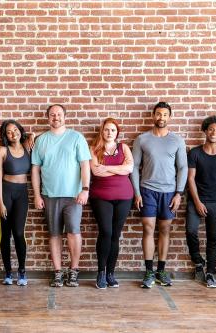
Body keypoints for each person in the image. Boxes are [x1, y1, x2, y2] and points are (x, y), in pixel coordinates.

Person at [31, 104, 91, 287]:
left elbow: (85, 165)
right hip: (49, 195)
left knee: (73, 232)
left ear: (65, 116)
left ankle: (73, 271)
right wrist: (36, 195)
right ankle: (58, 272)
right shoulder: (41, 141)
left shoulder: (76, 137)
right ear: (47, 118)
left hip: (73, 196)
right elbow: (35, 169)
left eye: (58, 114)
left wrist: (85, 189)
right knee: (54, 234)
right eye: (52, 115)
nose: (55, 117)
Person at [131, 101, 188, 288]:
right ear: (153, 116)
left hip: (169, 192)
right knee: (148, 228)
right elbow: (134, 167)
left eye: (165, 114)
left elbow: (182, 167)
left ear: (169, 117)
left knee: (164, 230)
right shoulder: (142, 139)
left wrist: (179, 193)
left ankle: (161, 270)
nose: (161, 117)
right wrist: (137, 193)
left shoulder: (177, 140)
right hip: (147, 190)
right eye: (158, 114)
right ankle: (148, 272)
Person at [185, 116, 216, 288]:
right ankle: (198, 260)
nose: (214, 133)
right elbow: (190, 179)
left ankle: (211, 273)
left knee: (213, 238)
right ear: (205, 130)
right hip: (196, 199)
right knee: (191, 231)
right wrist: (197, 202)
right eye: (211, 129)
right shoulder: (195, 153)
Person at [89, 118, 134, 289]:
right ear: (102, 131)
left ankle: (110, 274)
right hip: (101, 196)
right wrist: (118, 169)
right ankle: (101, 272)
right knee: (105, 232)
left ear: (117, 132)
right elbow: (95, 171)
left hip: (124, 196)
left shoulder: (124, 148)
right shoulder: (93, 149)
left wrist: (107, 168)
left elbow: (129, 169)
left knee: (115, 234)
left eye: (113, 130)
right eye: (107, 130)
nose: (109, 133)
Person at [0, 120, 31, 286]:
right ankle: (8, 272)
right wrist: (1, 202)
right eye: (9, 132)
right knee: (5, 234)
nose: (13, 133)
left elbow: (36, 136)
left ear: (20, 130)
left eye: (15, 130)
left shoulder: (27, 148)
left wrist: (32, 136)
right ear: (5, 136)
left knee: (18, 233)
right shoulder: (2, 150)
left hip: (22, 193)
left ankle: (22, 271)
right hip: (6, 193)